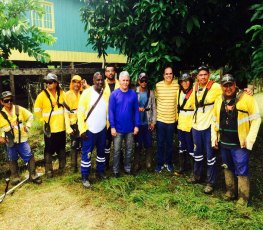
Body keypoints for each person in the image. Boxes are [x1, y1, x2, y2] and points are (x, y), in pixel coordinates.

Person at [212, 74, 261, 206]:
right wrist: (214, 137)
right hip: (224, 142)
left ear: (235, 85)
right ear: (222, 87)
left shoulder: (246, 98)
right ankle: (230, 192)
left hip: (240, 143)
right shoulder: (219, 100)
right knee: (227, 166)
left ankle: (243, 197)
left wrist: (250, 139)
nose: (228, 88)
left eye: (230, 85)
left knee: (241, 169)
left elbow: (256, 119)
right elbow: (215, 121)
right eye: (225, 85)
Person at [188, 66, 222, 194]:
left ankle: (210, 182)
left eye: (205, 74)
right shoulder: (195, 87)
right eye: (200, 75)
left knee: (210, 155)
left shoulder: (216, 87)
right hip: (196, 126)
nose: (202, 77)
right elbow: (190, 103)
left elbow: (229, 92)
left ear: (209, 75)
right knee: (197, 153)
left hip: (209, 126)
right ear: (197, 76)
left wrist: (246, 92)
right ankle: (197, 176)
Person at [0, 91, 42, 185]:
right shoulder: (1, 114)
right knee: (12, 158)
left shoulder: (19, 109)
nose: (9, 102)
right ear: (1, 102)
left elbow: (31, 116)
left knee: (29, 155)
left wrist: (27, 126)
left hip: (22, 140)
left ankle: (33, 175)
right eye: (6, 101)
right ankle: (15, 176)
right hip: (10, 142)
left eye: (11, 100)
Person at [77, 72, 109, 188]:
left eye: (101, 80)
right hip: (89, 131)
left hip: (102, 130)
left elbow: (107, 111)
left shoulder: (105, 93)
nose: (100, 82)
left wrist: (107, 126)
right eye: (98, 80)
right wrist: (82, 129)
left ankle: (100, 171)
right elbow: (80, 113)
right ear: (93, 80)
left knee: (101, 153)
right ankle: (85, 176)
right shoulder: (86, 94)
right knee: (87, 154)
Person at [34, 73, 66, 178]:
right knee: (48, 150)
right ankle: (49, 171)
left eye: (51, 82)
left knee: (61, 148)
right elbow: (37, 110)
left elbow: (67, 106)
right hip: (50, 129)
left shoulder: (62, 93)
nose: (48, 84)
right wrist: (43, 121)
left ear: (56, 83)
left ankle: (62, 168)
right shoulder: (41, 95)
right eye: (47, 82)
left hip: (61, 127)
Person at [109, 71, 140, 177]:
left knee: (129, 149)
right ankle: (115, 170)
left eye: (127, 80)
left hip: (130, 128)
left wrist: (136, 125)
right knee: (117, 150)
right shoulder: (114, 94)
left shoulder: (133, 94)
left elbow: (136, 110)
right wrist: (112, 127)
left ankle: (127, 168)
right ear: (120, 81)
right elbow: (111, 111)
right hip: (117, 129)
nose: (125, 83)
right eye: (123, 80)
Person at [155, 66, 179, 173]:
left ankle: (168, 163)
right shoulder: (158, 86)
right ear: (163, 75)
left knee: (169, 143)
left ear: (173, 75)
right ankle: (159, 164)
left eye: (170, 73)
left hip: (171, 120)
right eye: (166, 74)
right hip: (160, 119)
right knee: (160, 143)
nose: (168, 75)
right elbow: (155, 100)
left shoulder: (177, 86)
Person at [133, 73, 156, 172]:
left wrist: (153, 122)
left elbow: (154, 108)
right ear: (139, 81)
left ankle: (148, 162)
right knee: (138, 143)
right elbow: (131, 107)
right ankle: (137, 163)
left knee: (148, 143)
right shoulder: (134, 92)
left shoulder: (151, 93)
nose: (144, 83)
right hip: (138, 122)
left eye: (145, 81)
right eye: (142, 81)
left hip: (147, 121)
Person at [175, 73, 195, 175]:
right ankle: (182, 167)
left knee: (191, 147)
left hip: (190, 123)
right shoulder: (178, 92)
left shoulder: (194, 92)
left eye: (187, 81)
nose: (185, 83)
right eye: (183, 81)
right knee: (181, 146)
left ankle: (193, 169)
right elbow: (176, 107)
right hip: (181, 122)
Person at [64, 75, 82, 172]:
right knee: (74, 145)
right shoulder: (67, 95)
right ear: (72, 83)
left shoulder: (83, 93)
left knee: (84, 145)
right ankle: (73, 167)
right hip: (73, 124)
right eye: (74, 82)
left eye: (78, 82)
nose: (76, 84)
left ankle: (83, 165)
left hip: (83, 124)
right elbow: (66, 113)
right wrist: (68, 127)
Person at [104, 64, 120, 169]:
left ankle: (119, 163)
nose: (110, 73)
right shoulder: (101, 84)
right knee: (106, 142)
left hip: (119, 118)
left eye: (112, 71)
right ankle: (105, 164)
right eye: (108, 71)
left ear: (115, 72)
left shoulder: (120, 83)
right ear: (105, 73)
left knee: (118, 143)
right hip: (105, 119)